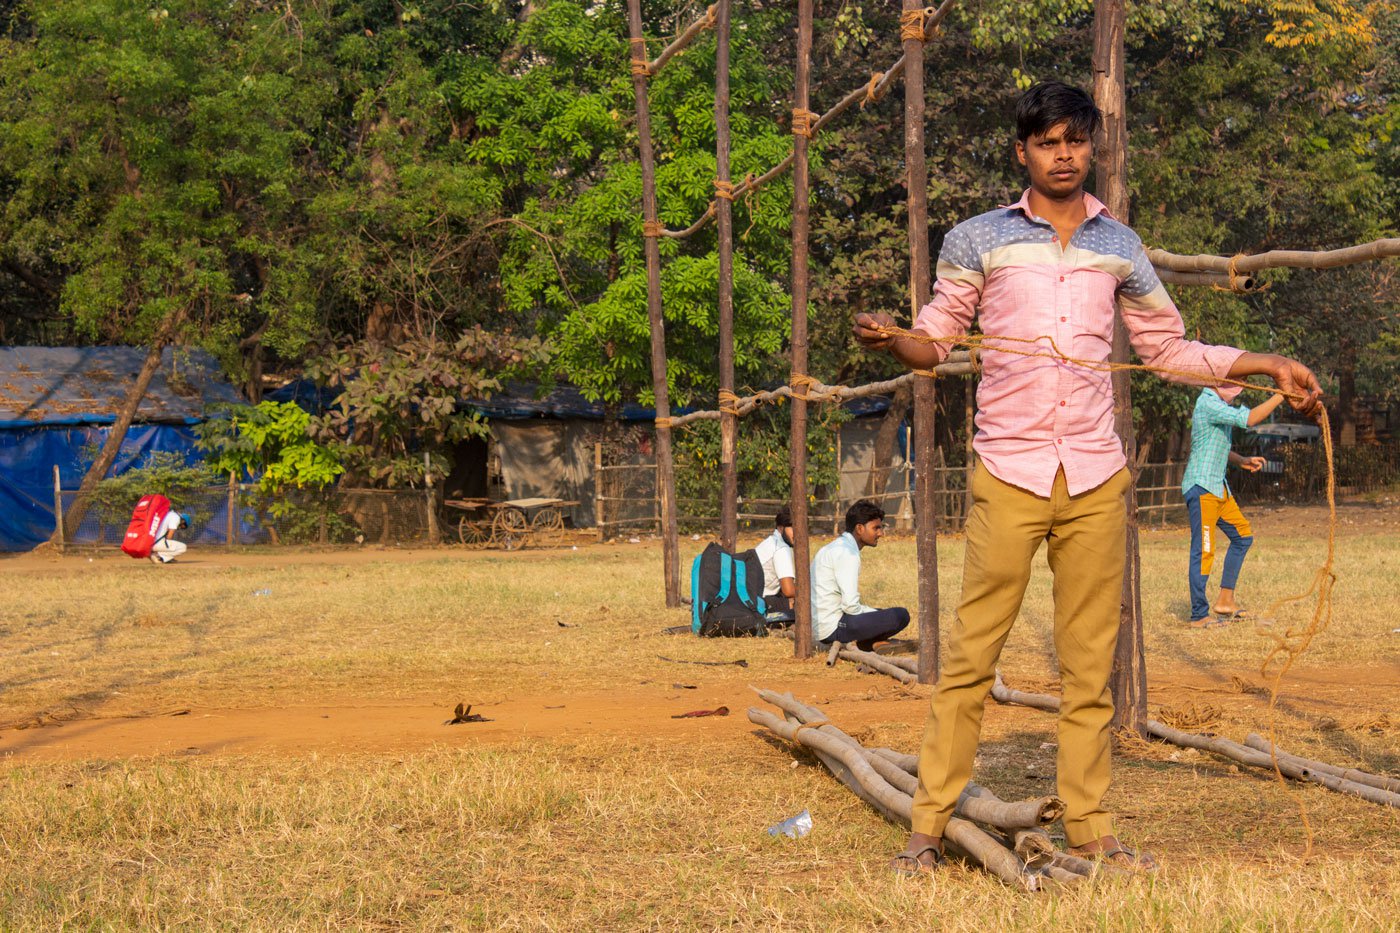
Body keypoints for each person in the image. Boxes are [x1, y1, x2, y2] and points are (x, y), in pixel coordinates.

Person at [853, 81, 1322, 874]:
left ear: (1090, 147)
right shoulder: (977, 239)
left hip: (1096, 475)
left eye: (1076, 140)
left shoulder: (1121, 247)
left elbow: (1169, 350)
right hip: (1009, 468)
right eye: (1047, 141)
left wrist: (1263, 360)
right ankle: (926, 828)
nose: (1063, 154)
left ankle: (1092, 828)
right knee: (971, 655)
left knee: (1088, 661)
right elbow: (937, 339)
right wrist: (896, 340)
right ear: (1022, 153)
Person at [1181, 386, 1284, 627]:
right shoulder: (1207, 402)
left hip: (1219, 487)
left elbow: (1215, 446)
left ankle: (1225, 601)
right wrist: (1282, 395)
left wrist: (1242, 461)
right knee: (1204, 550)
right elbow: (1248, 419)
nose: (1238, 389)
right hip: (1202, 487)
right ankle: (1198, 614)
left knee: (1243, 537)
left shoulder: (1220, 406)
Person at [809, 499, 910, 651]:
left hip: (822, 625)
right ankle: (866, 643)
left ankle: (868, 642)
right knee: (900, 615)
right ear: (860, 528)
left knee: (879, 613)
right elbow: (850, 606)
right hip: (832, 629)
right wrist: (877, 613)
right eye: (876, 528)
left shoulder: (836, 546)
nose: (880, 534)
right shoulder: (847, 552)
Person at [753, 506, 797, 614]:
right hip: (758, 601)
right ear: (781, 528)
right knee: (799, 601)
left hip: (752, 596)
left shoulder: (771, 541)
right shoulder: (781, 549)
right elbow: (789, 591)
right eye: (792, 527)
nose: (797, 532)